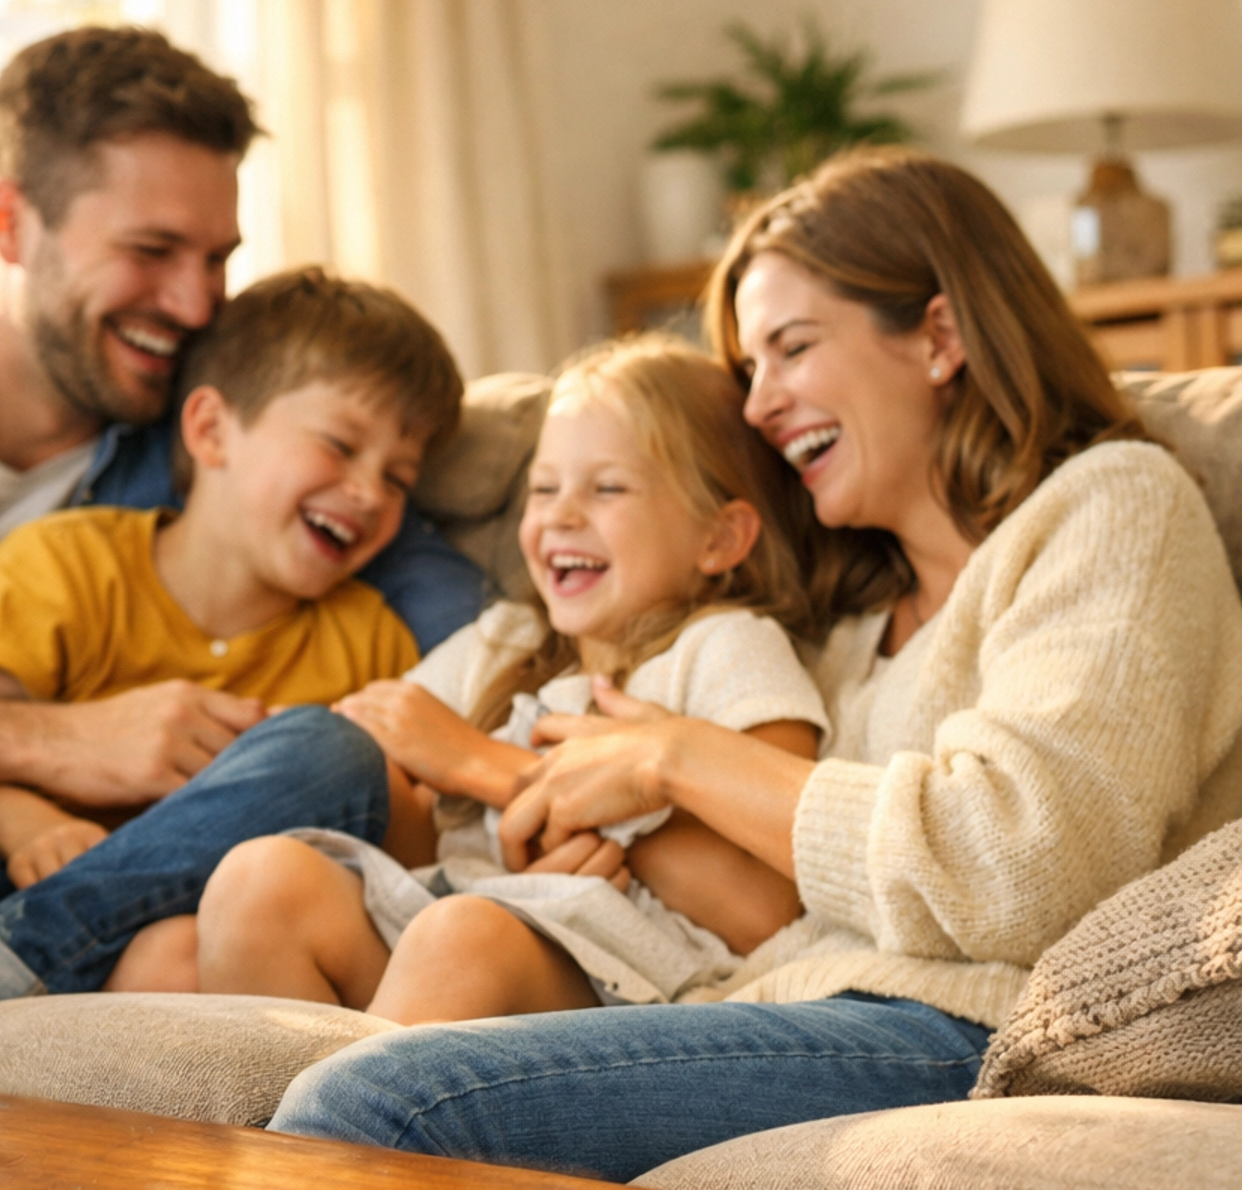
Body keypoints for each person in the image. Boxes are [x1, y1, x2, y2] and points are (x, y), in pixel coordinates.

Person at [269, 148, 1242, 1178]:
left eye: (792, 348)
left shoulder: (1112, 507)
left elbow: (1026, 866)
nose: (761, 403)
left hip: (969, 1024)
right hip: (775, 999)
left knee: (380, 1100)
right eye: (749, 371)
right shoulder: (844, 620)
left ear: (940, 336)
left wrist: (672, 760)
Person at [0, 26, 482, 1054]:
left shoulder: (227, 433)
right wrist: (68, 742)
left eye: (217, 259)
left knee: (322, 751)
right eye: (152, 252)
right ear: (9, 222)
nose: (198, 301)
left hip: (126, 898)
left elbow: (474, 634)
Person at [0, 266, 462, 1049]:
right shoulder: (66, 563)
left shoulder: (370, 635)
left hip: (186, 940)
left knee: (318, 763)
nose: (368, 493)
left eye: (399, 479)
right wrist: (28, 821)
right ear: (210, 429)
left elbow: (406, 858)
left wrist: (326, 768)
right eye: (340, 445)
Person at [176, 333, 827, 1020]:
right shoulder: (505, 639)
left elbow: (765, 909)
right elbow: (384, 764)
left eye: (607, 488)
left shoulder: (725, 647)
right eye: (544, 489)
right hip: (464, 920)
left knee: (464, 935)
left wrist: (491, 770)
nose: (560, 515)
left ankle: (345, 1115)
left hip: (635, 979)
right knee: (260, 882)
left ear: (719, 539)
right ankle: (284, 1128)